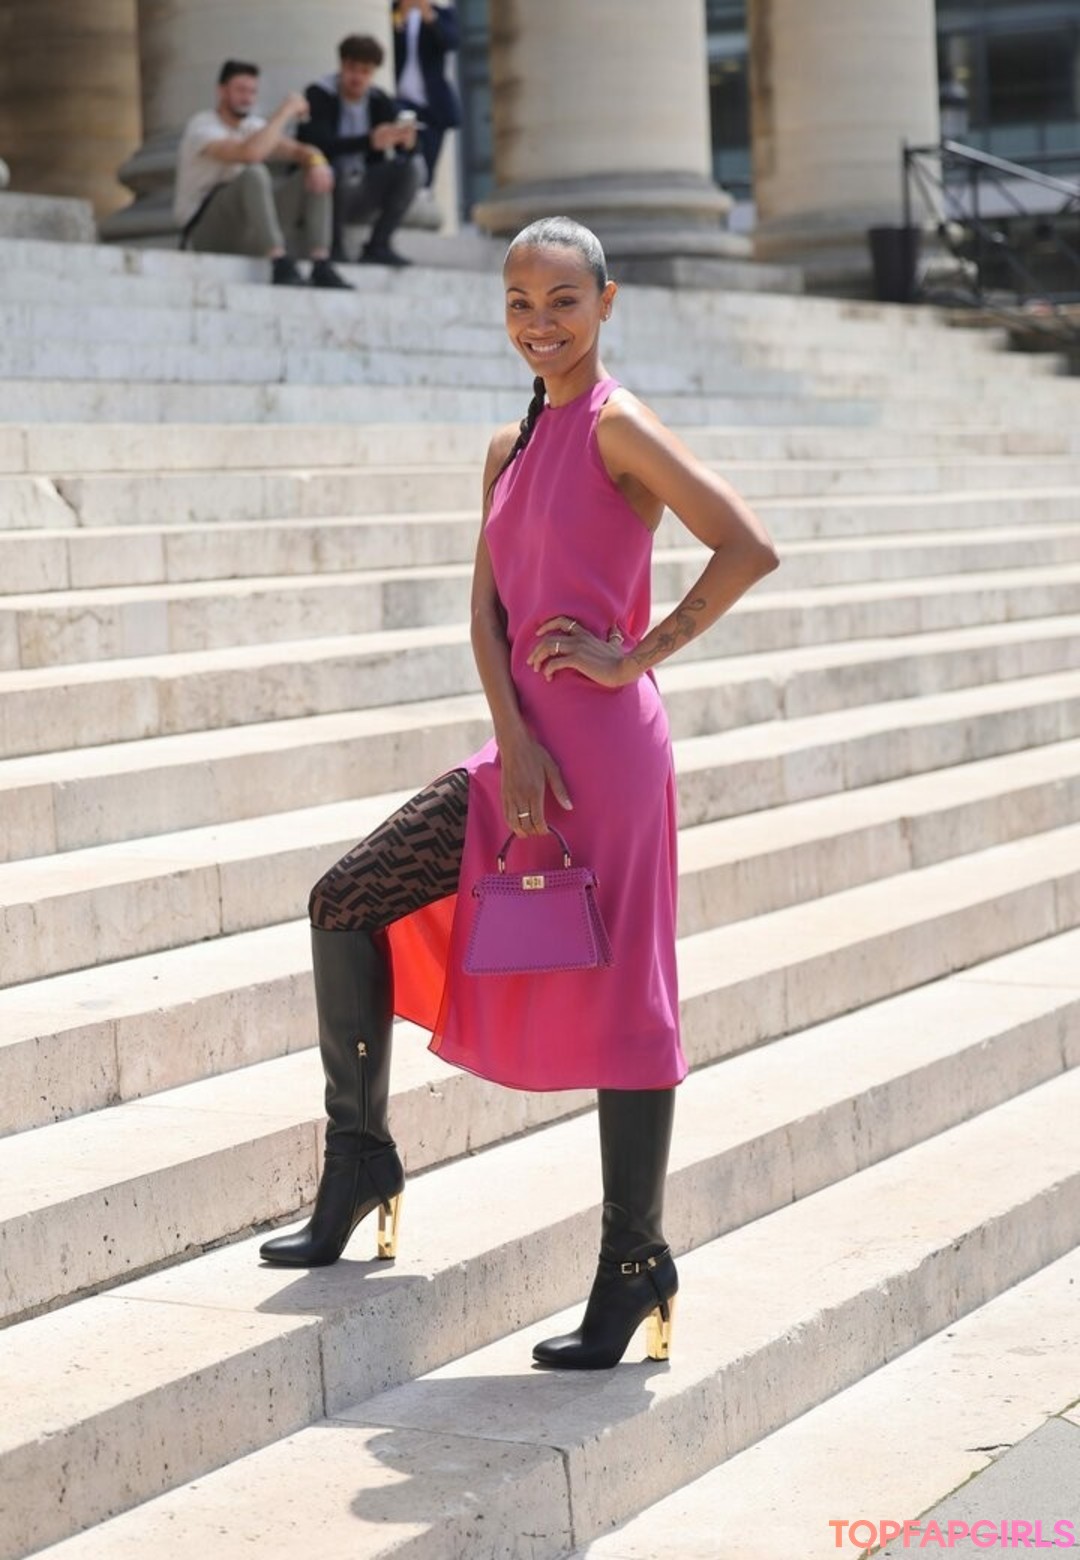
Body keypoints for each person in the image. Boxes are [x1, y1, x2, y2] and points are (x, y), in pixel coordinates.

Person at [259, 216, 780, 1371]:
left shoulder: (621, 426)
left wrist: (633, 656)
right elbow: (486, 615)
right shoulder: (507, 444)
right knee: (346, 899)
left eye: (563, 301)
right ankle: (359, 1161)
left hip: (612, 759)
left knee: (630, 1003)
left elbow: (747, 546)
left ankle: (635, 1263)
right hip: (526, 753)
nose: (540, 324)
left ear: (606, 302)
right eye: (519, 304)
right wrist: (514, 739)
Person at [174, 59, 352, 288]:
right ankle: (278, 260)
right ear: (222, 91)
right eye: (240, 90)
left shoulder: (254, 127)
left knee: (315, 173)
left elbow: (301, 151)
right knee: (254, 173)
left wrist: (316, 161)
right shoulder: (202, 126)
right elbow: (249, 154)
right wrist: (285, 111)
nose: (247, 98)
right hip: (207, 230)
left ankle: (321, 262)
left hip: (249, 231)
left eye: (252, 92)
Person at [300, 34, 423, 268]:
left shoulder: (378, 100)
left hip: (363, 187)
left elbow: (407, 148)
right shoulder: (320, 94)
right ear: (342, 66)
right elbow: (317, 142)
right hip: (326, 187)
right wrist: (369, 142)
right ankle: (334, 246)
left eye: (365, 71)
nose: (357, 77)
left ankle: (379, 244)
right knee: (336, 169)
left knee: (414, 169)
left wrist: (406, 142)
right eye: (352, 69)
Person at [392, 0, 462, 187]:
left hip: (432, 106)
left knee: (427, 171)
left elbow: (450, 42)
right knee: (403, 162)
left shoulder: (442, 13)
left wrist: (429, 16)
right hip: (400, 102)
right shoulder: (393, 12)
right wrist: (401, 16)